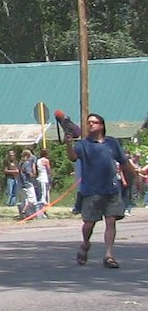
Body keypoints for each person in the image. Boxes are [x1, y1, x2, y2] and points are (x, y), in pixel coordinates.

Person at [58, 109, 138, 267]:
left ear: (101, 126)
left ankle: (109, 255)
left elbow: (123, 162)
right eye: (88, 123)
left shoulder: (112, 142)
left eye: (93, 122)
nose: (90, 125)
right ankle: (85, 244)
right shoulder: (83, 144)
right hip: (91, 191)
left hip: (111, 189)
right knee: (89, 224)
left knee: (111, 221)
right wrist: (68, 143)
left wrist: (134, 178)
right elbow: (72, 157)